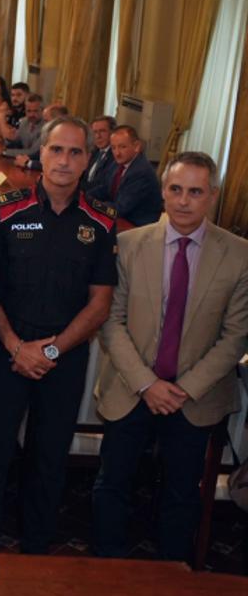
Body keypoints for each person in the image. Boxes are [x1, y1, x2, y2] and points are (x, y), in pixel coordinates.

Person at [0, 116, 118, 555]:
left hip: (63, 358)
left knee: (48, 460)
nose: (64, 161)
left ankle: (36, 550)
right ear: (41, 153)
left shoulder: (101, 220)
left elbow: (100, 304)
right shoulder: (7, 209)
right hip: (5, 352)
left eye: (75, 152)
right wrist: (16, 346)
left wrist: (49, 350)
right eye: (57, 150)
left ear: (88, 160)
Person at [94, 152, 248, 563]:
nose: (183, 201)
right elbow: (111, 323)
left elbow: (235, 337)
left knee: (182, 494)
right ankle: (102, 570)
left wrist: (181, 390)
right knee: (112, 485)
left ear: (212, 196)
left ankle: (172, 576)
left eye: (195, 192)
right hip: (132, 387)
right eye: (175, 190)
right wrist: (148, 384)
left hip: (194, 398)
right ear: (163, 191)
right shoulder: (127, 245)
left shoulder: (239, 254)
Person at [87, 125, 163, 227]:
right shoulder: (117, 164)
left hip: (137, 225)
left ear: (136, 146)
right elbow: (104, 188)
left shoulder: (141, 172)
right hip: (121, 216)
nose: (117, 153)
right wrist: (84, 196)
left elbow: (119, 210)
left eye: (122, 147)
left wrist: (92, 204)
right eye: (113, 148)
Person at [85, 115, 117, 190]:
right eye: (95, 132)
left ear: (113, 132)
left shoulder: (116, 155)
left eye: (102, 131)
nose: (98, 136)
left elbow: (104, 186)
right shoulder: (93, 151)